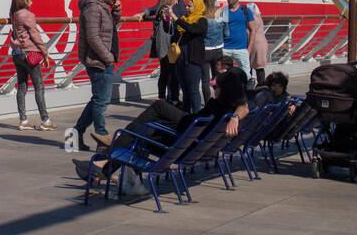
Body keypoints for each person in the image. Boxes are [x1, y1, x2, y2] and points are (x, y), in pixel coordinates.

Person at [74, 67, 251, 181]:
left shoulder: (217, 107)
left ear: (225, 90)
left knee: (144, 126)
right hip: (189, 144)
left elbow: (242, 107)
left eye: (216, 87)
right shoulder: (228, 109)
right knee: (149, 121)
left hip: (178, 144)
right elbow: (244, 107)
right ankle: (104, 168)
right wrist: (235, 117)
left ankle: (106, 159)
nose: (213, 89)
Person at [73, 0, 121, 150]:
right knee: (101, 101)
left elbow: (110, 27)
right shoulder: (93, 9)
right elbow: (93, 37)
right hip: (98, 61)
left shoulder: (102, 8)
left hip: (103, 60)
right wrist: (107, 57)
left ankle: (75, 134)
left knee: (97, 100)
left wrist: (116, 11)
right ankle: (102, 138)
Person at [8, 0, 55, 131]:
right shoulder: (27, 15)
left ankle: (23, 120)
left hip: (16, 54)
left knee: (22, 87)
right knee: (39, 86)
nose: (32, 2)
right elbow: (35, 35)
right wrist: (45, 53)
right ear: (24, 0)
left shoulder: (14, 14)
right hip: (29, 53)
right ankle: (45, 120)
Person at [144, 0, 181, 103]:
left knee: (164, 72)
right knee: (171, 73)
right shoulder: (166, 11)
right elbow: (169, 24)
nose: (177, 1)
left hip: (161, 46)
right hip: (167, 47)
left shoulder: (160, 10)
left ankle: (162, 97)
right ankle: (172, 98)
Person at [172, 0, 207, 113]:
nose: (187, 8)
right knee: (185, 90)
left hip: (192, 60)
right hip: (181, 58)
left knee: (193, 90)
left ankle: (196, 114)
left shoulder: (201, 21)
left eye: (190, 6)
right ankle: (185, 115)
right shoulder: (184, 20)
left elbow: (192, 29)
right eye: (186, 5)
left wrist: (177, 19)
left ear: (196, 7)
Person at [222, 0, 254, 74]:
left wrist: (249, 48)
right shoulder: (223, 11)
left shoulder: (245, 11)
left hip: (242, 49)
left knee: (245, 74)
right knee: (223, 74)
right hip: (226, 48)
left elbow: (253, 30)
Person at [200, 0, 225, 103]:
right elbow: (227, 33)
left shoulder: (202, 16)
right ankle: (219, 100)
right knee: (217, 78)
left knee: (205, 80)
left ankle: (207, 103)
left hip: (205, 50)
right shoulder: (221, 14)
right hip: (218, 49)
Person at [245, 0, 268, 86]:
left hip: (254, 43)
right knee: (260, 67)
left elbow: (249, 31)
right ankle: (261, 86)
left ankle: (249, 85)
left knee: (249, 66)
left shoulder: (251, 18)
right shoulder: (259, 17)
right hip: (262, 43)